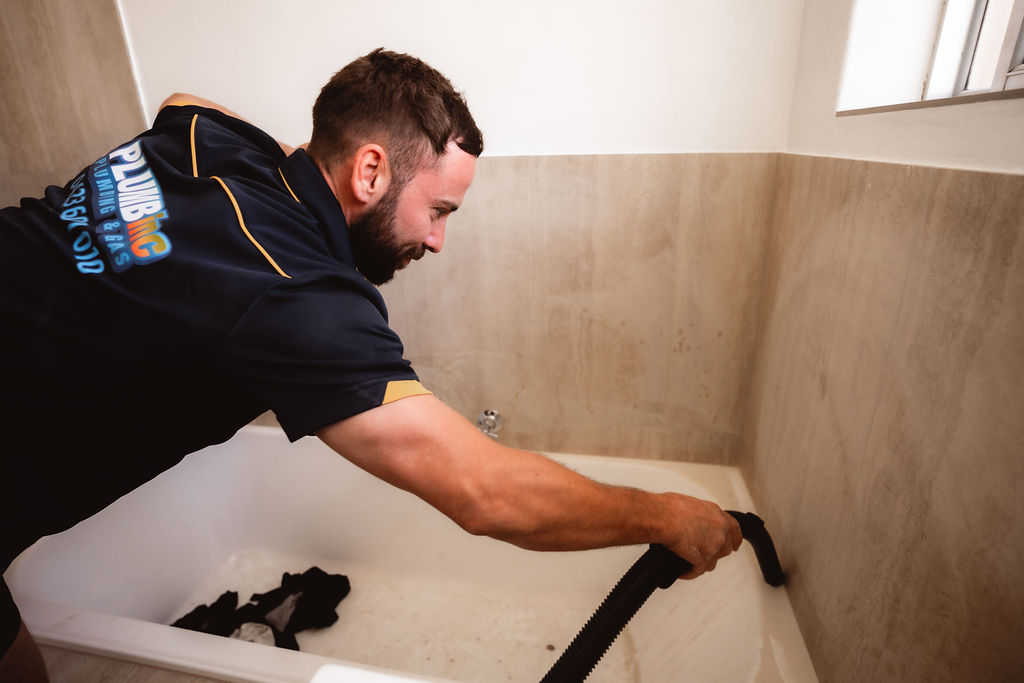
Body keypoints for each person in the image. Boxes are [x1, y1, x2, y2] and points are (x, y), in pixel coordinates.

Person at [0, 48, 740, 680]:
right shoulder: (297, 297)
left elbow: (180, 100)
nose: (439, 240)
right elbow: (486, 492)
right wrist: (665, 514)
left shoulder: (211, 143)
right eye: (440, 210)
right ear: (371, 170)